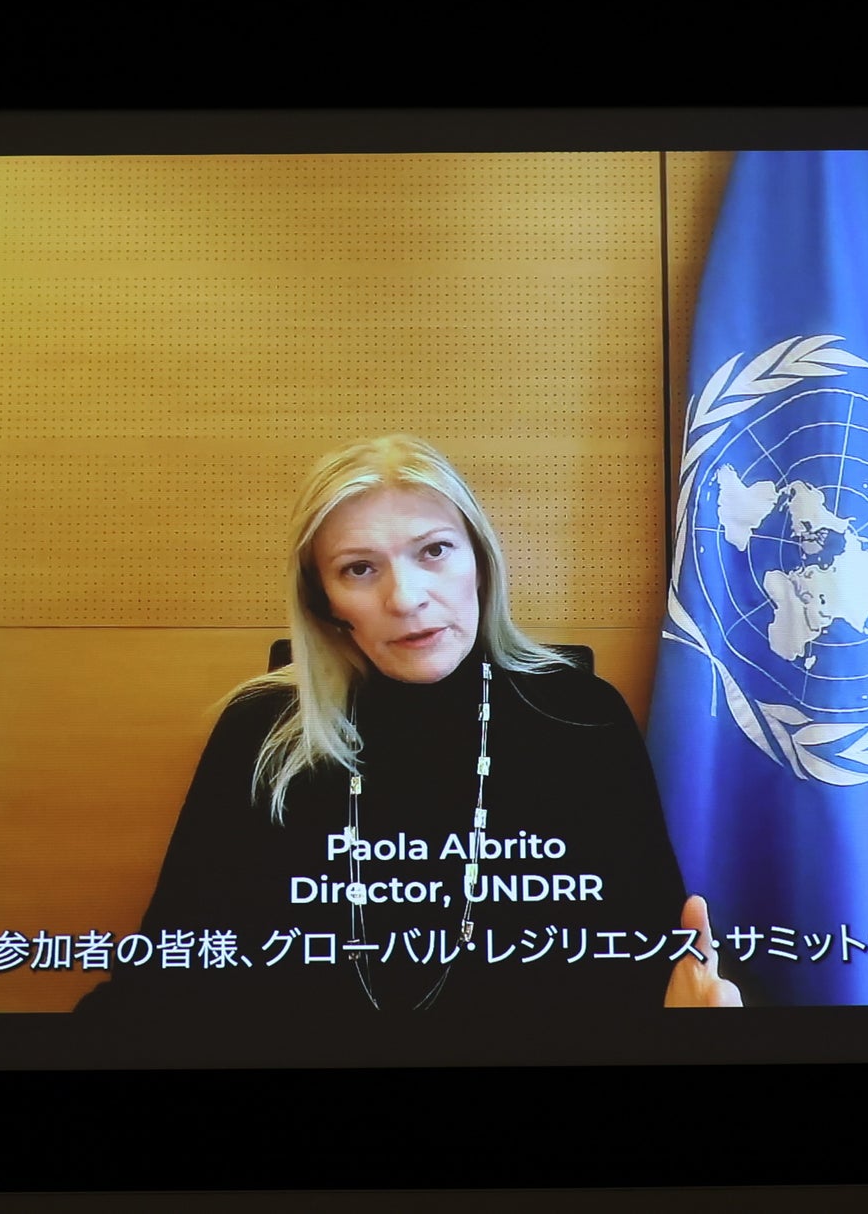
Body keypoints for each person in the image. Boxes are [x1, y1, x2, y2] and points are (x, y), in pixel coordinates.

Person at [76, 435, 739, 1022]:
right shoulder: (262, 732)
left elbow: (646, 958)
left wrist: (692, 1021)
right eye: (359, 568)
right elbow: (172, 971)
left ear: (479, 561)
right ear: (324, 602)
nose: (406, 598)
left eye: (434, 551)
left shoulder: (580, 716)